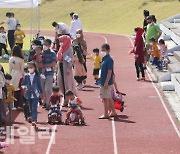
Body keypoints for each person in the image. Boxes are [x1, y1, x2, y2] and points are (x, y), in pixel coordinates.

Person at [57, 35, 77, 106]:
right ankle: (65, 98)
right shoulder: (61, 48)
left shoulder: (69, 49)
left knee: (68, 84)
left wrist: (69, 68)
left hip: (66, 69)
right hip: (61, 66)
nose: (61, 43)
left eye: (62, 41)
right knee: (61, 83)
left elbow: (70, 60)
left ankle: (69, 100)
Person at [98, 44, 117, 119]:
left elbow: (110, 72)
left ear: (108, 50)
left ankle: (106, 114)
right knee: (109, 97)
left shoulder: (109, 60)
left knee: (105, 98)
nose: (102, 52)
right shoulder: (104, 58)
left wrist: (106, 82)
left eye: (104, 50)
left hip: (105, 82)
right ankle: (113, 111)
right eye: (101, 50)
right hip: (102, 80)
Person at [22, 61, 43, 126]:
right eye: (29, 67)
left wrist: (41, 93)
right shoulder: (26, 76)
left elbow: (39, 85)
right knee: (30, 107)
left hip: (35, 94)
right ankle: (31, 116)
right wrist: (24, 88)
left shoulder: (37, 76)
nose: (30, 68)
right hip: (28, 94)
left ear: (34, 68)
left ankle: (34, 120)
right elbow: (23, 84)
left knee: (34, 107)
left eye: (31, 67)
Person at [37, 39, 57, 110]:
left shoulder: (52, 53)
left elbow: (54, 64)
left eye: (46, 44)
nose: (44, 46)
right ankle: (45, 102)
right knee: (42, 89)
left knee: (48, 89)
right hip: (42, 74)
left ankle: (48, 103)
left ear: (49, 45)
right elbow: (38, 63)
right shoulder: (41, 53)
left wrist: (44, 66)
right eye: (44, 44)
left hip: (49, 74)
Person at [9, 45, 24, 110]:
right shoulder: (21, 60)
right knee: (18, 90)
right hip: (19, 74)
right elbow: (22, 69)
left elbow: (10, 69)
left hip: (12, 74)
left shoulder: (11, 59)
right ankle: (18, 105)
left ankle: (12, 105)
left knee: (12, 90)